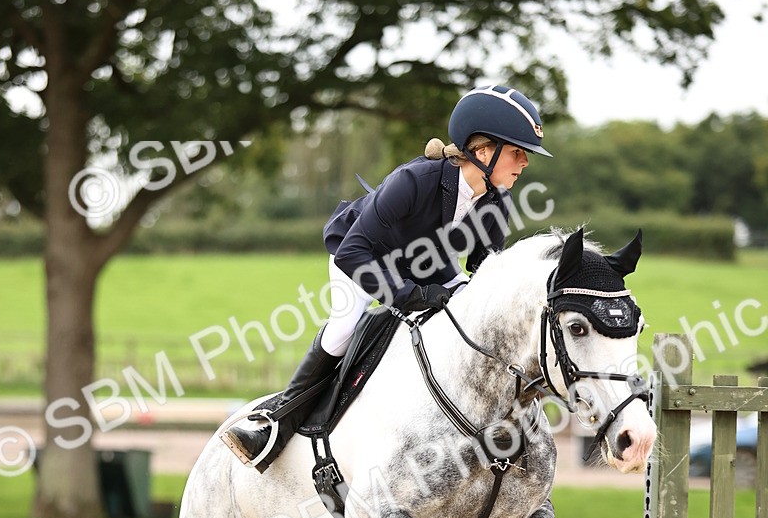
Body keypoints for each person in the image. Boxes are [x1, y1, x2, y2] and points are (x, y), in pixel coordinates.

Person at [221, 84, 552, 470]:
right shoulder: (415, 180)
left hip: (426, 265)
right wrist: (409, 295)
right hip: (364, 256)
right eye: (517, 152)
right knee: (344, 329)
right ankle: (275, 424)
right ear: (483, 152)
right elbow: (353, 252)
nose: (524, 163)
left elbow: (484, 267)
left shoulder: (496, 199)